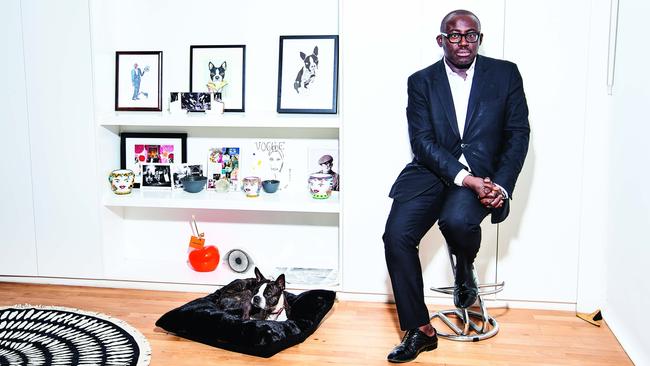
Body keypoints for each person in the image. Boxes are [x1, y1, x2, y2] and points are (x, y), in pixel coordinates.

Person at [383, 10, 529, 363]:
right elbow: (422, 141)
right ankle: (420, 330)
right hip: (431, 173)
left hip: (486, 175)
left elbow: (518, 134)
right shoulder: (421, 81)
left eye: (470, 35)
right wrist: (465, 178)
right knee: (396, 237)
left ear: (480, 38)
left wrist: (502, 186)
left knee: (457, 221)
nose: (463, 42)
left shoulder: (505, 74)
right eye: (454, 35)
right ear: (441, 40)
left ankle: (465, 266)